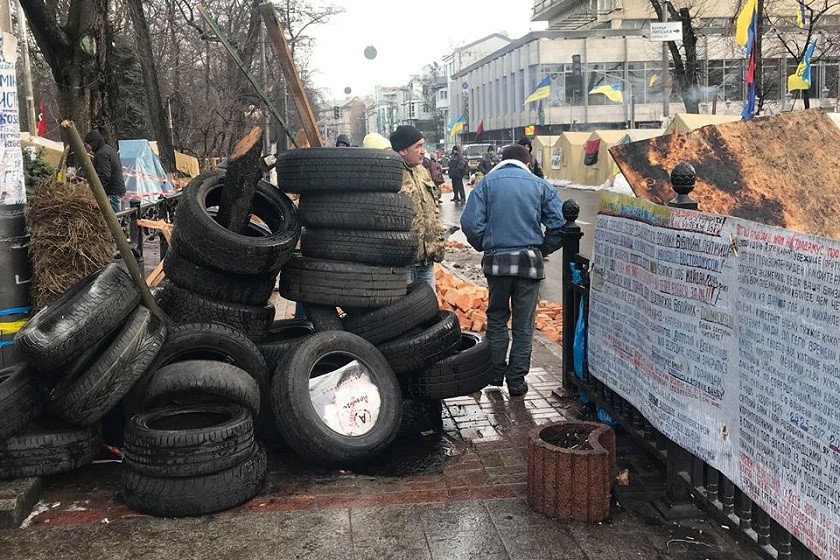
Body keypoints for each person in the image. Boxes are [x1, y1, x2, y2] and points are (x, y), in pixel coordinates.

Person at [460, 144, 564, 397]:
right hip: (528, 263)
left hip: (497, 264)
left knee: (496, 317)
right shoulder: (539, 185)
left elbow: (470, 224)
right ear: (527, 162)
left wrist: (486, 245)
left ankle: (495, 373)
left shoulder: (486, 184)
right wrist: (542, 249)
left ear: (500, 161)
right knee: (524, 322)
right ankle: (516, 380)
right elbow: (559, 224)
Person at [389, 125, 445, 288]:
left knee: (429, 309)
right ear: (403, 151)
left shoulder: (422, 171)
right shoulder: (391, 174)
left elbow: (433, 209)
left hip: (426, 260)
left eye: (423, 145)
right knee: (407, 312)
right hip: (404, 264)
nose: (423, 151)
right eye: (418, 146)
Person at [84, 130, 126, 213]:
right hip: (117, 189)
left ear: (93, 143)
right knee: (119, 218)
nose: (89, 148)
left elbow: (104, 175)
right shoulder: (109, 149)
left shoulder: (101, 154)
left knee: (114, 220)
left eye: (89, 145)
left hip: (111, 191)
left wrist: (97, 192)